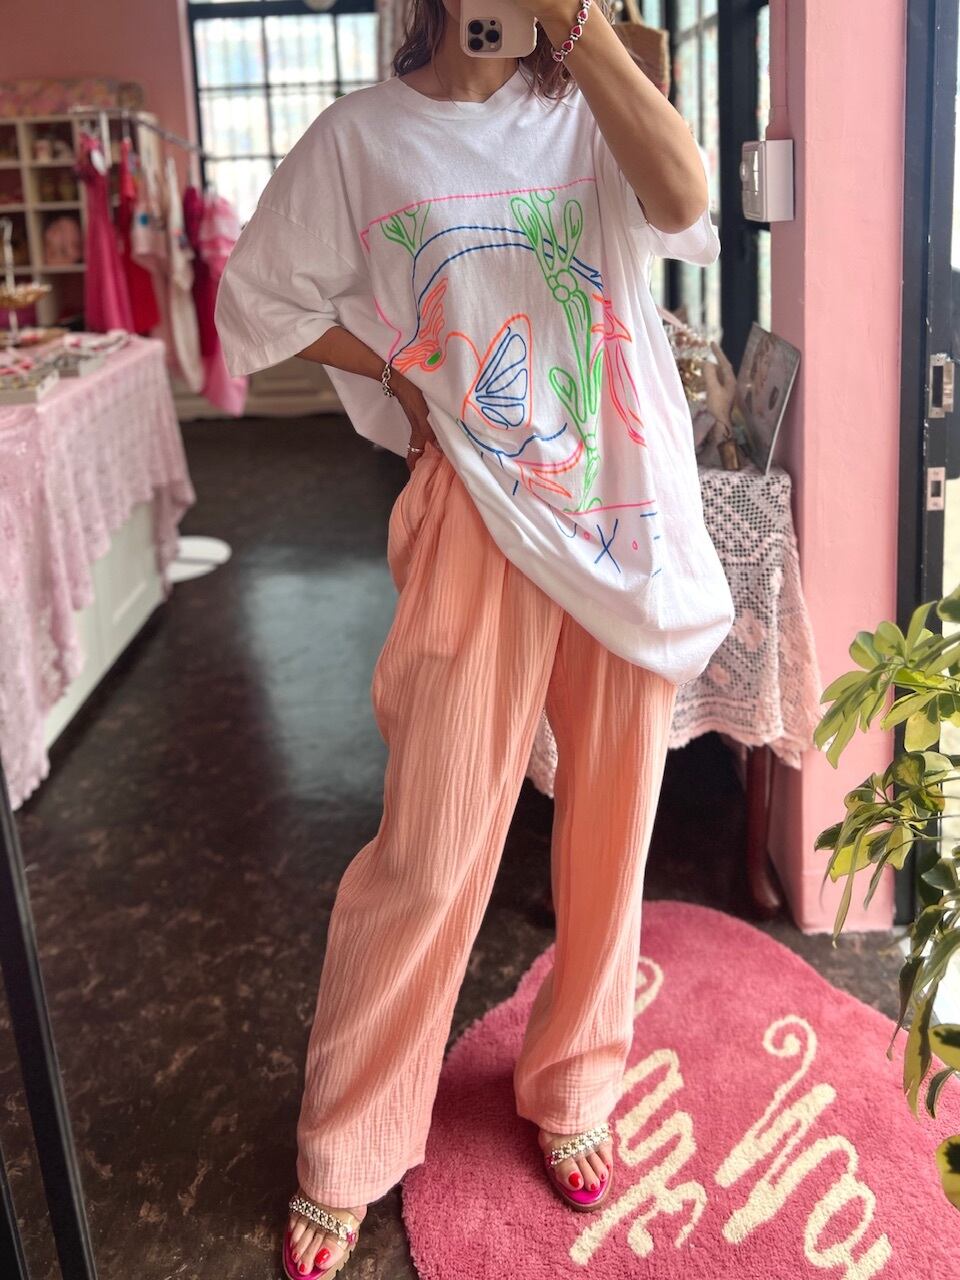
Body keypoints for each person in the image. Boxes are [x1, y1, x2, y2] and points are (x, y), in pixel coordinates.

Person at [215, 0, 735, 1273]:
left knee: (612, 829)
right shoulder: (362, 138)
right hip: (477, 516)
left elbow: (682, 201)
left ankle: (577, 1080)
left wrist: (582, 28)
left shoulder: (593, 102)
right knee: (432, 843)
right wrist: (401, 373)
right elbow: (260, 302)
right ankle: (348, 1136)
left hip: (623, 511)